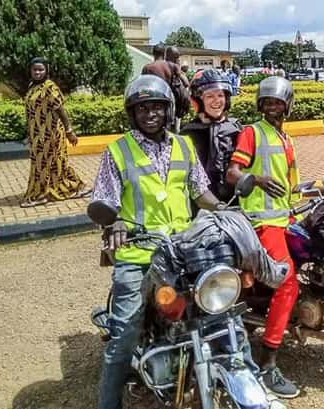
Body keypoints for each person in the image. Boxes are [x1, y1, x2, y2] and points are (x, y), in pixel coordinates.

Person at [92, 75, 225, 409]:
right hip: (139, 253)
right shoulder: (118, 151)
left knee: (220, 310)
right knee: (123, 334)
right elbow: (103, 200)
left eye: (156, 107)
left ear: (168, 111)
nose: (150, 114)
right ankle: (108, 403)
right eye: (142, 108)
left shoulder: (183, 145)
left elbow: (200, 190)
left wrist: (224, 209)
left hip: (182, 250)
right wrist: (115, 220)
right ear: (132, 113)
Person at [225, 76, 301, 399]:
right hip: (261, 223)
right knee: (288, 282)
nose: (272, 107)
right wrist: (254, 178)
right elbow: (232, 173)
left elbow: (291, 184)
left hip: (285, 219)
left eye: (278, 102)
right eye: (267, 102)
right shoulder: (252, 133)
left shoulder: (285, 138)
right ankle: (268, 362)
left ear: (287, 105)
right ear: (260, 106)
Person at [21, 57, 91, 208]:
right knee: (50, 164)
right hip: (37, 135)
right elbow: (31, 113)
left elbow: (61, 110)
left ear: (46, 71)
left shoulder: (49, 87)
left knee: (48, 164)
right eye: (35, 69)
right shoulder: (32, 87)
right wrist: (29, 133)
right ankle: (74, 186)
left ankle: (41, 195)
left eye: (41, 69)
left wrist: (69, 130)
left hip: (50, 134)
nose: (38, 72)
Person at [181, 69, 242, 204]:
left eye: (220, 95)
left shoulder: (235, 129)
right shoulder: (188, 134)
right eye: (209, 96)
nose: (216, 101)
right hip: (201, 207)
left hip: (235, 205)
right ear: (198, 101)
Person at [142, 44, 191, 125]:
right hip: (169, 99)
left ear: (153, 54)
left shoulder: (147, 68)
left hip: (153, 100)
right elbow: (186, 82)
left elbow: (144, 85)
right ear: (164, 53)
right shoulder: (172, 65)